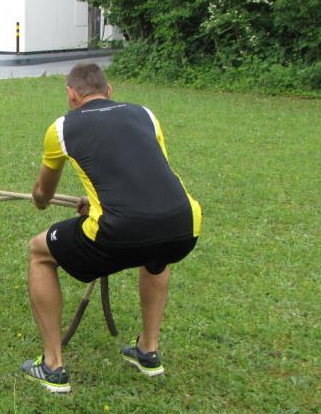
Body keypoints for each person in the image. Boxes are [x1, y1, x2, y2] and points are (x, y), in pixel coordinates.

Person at [21, 61, 201, 393]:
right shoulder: (145, 114)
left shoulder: (62, 127)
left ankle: (52, 365)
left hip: (117, 233)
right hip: (184, 224)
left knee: (39, 252)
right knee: (156, 252)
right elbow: (142, 173)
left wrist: (39, 201)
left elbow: (43, 194)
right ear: (109, 91)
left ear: (72, 95)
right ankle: (148, 349)